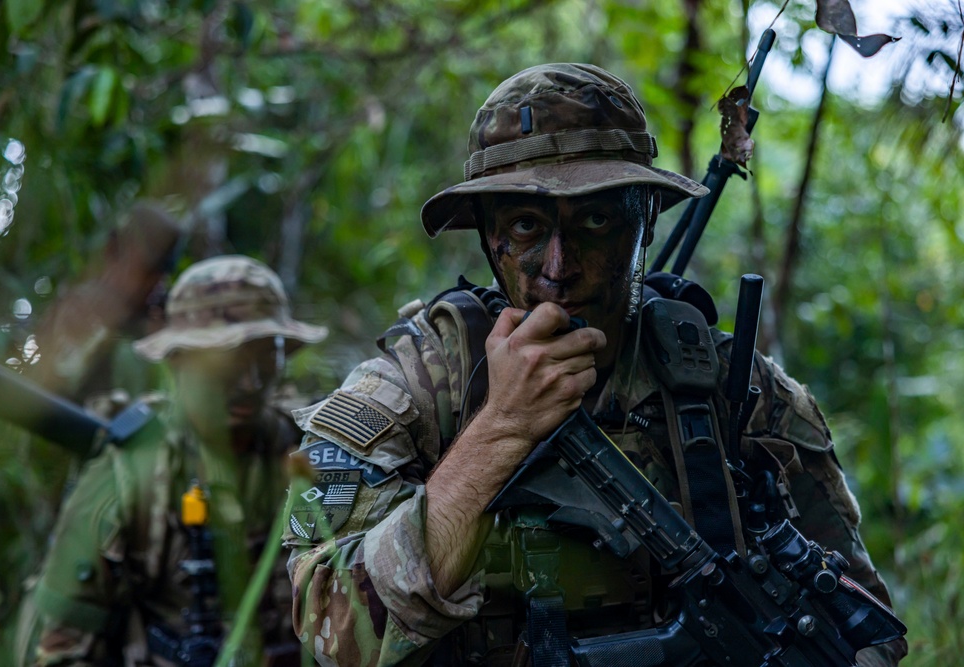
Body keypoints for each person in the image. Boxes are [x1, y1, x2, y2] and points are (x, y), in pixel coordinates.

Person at [284, 64, 908, 666]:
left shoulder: (742, 392)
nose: (559, 268)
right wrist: (500, 428)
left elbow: (863, 631)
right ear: (488, 240)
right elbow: (333, 632)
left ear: (643, 226)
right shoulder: (413, 388)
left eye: (597, 221)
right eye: (527, 226)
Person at [27, 255, 328, 666]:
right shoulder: (128, 473)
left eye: (265, 356)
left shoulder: (310, 451)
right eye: (228, 361)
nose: (250, 382)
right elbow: (61, 645)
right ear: (179, 360)